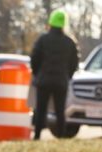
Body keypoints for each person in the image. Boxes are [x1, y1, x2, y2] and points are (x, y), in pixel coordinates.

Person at [31, 9, 79, 140]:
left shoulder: (43, 40)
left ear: (50, 23)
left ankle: (37, 135)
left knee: (41, 109)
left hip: (44, 80)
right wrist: (67, 76)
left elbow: (34, 58)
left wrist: (37, 74)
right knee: (60, 110)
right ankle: (61, 136)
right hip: (61, 81)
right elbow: (74, 63)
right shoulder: (70, 42)